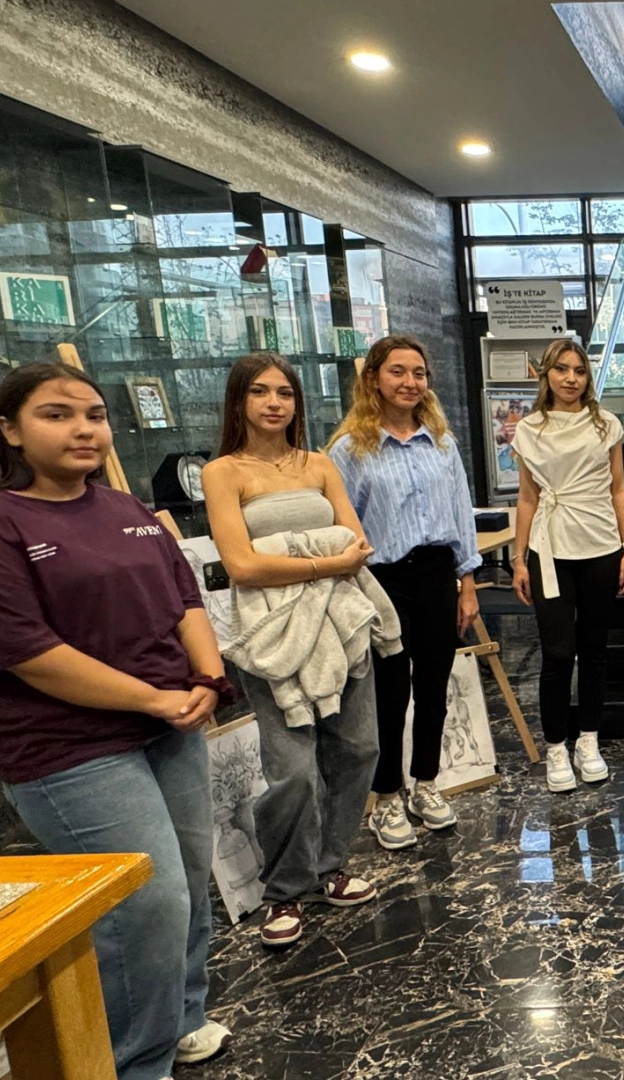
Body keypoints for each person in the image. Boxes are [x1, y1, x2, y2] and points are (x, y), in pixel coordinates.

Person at [0, 363, 232, 1078]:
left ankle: (182, 1019)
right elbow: (28, 652)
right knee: (144, 903)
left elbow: (184, 598)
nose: (83, 429)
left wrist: (207, 677)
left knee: (185, 886)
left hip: (170, 723)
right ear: (10, 429)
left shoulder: (122, 505)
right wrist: (154, 698)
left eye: (95, 415)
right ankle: (129, 1062)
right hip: (69, 747)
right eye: (57, 414)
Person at [203, 353, 382, 948]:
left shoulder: (319, 463)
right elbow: (242, 566)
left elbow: (357, 543)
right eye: (260, 392)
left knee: (359, 749)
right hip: (272, 635)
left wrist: (292, 555)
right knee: (294, 772)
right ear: (239, 401)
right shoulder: (223, 472)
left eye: (284, 392)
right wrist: (324, 559)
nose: (274, 403)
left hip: (341, 621)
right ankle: (285, 887)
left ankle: (330, 866)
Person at [328, 335, 482, 850]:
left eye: (418, 373)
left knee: (435, 686)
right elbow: (341, 526)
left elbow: (460, 514)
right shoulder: (349, 450)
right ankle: (387, 796)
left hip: (437, 573)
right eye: (398, 372)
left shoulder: (441, 442)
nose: (410, 382)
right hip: (382, 580)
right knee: (389, 694)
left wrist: (467, 583)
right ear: (373, 378)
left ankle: (426, 784)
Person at [511, 339, 624, 790]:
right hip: (550, 547)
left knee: (595, 649)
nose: (571, 378)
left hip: (600, 543)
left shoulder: (605, 424)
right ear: (546, 374)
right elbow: (528, 497)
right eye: (562, 369)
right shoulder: (529, 429)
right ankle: (555, 746)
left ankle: (588, 739)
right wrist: (518, 558)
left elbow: (619, 487)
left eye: (579, 371)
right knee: (559, 652)